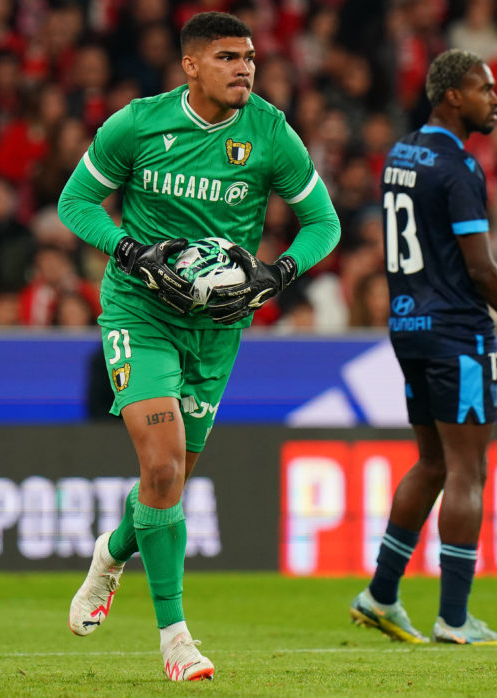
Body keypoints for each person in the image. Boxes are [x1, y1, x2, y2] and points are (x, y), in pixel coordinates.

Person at [57, 11, 339, 682]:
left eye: (248, 56)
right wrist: (132, 250)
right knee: (161, 472)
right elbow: (77, 204)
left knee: (171, 482)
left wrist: (277, 274)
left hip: (218, 327)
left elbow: (321, 222)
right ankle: (176, 639)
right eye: (226, 57)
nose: (244, 67)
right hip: (140, 312)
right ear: (190, 65)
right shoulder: (137, 124)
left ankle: (112, 552)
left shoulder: (270, 132)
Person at [349, 49, 497, 646]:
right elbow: (482, 268)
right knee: (467, 468)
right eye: (484, 88)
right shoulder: (458, 165)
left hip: (409, 326)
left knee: (434, 462)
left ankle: (381, 595)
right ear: (451, 97)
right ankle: (456, 618)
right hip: (457, 332)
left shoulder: (401, 154)